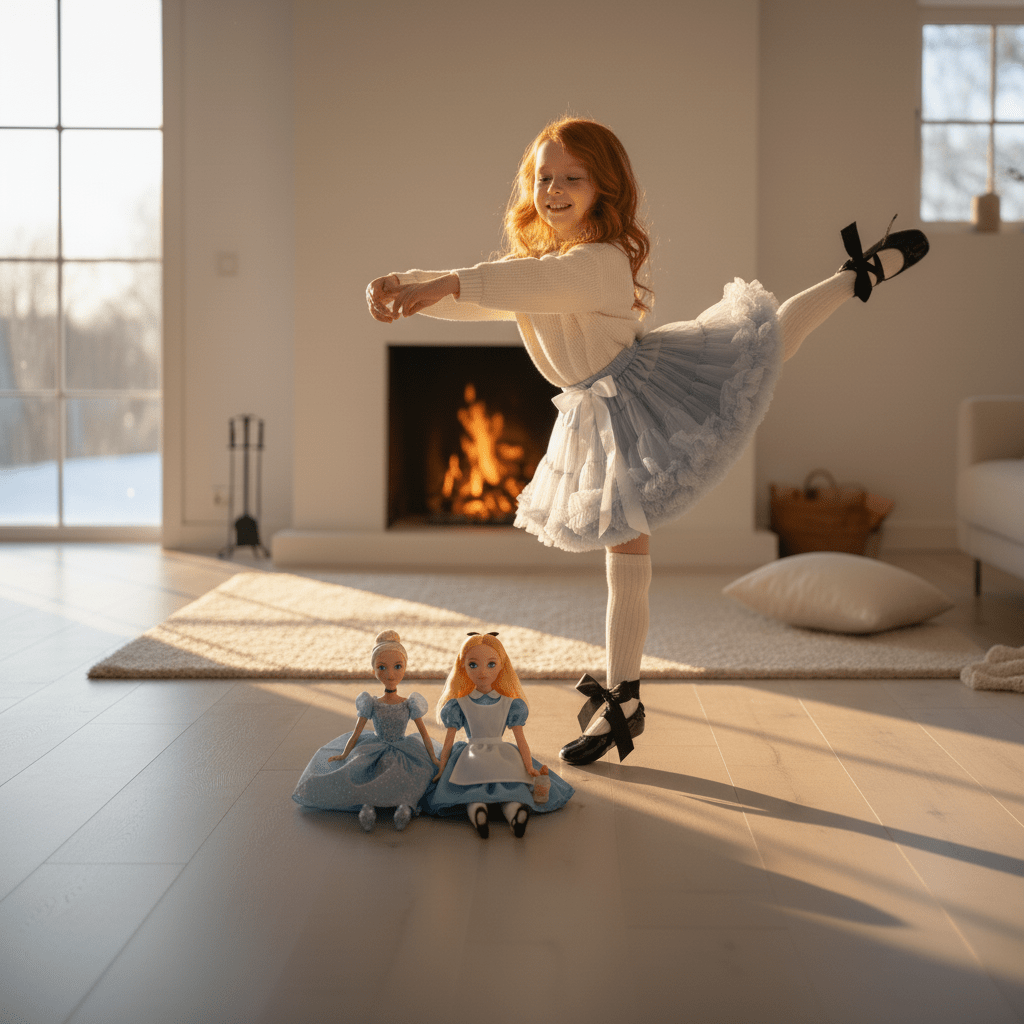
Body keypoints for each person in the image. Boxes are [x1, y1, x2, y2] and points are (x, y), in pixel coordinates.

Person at [366, 117, 929, 766]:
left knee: (767, 341)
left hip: (640, 393)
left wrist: (447, 282)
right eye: (544, 177)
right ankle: (626, 692)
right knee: (624, 554)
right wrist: (408, 284)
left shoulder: (600, 261)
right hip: (594, 409)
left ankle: (855, 275)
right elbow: (489, 296)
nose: (554, 188)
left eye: (571, 177)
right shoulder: (536, 264)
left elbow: (522, 287)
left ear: (603, 188)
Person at [425, 632, 574, 837]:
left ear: (502, 666)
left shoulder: (468, 704)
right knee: (509, 785)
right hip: (502, 754)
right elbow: (519, 741)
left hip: (471, 755)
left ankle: (482, 811)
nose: (483, 672)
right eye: (473, 665)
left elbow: (450, 743)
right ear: (463, 667)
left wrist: (443, 766)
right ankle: (511, 811)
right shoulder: (505, 704)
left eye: (491, 664)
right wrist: (527, 765)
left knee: (471, 789)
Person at [291, 629, 441, 831]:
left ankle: (405, 805)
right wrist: (344, 753)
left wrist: (433, 756)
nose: (390, 674)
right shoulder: (370, 703)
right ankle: (368, 805)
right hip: (374, 747)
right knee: (365, 771)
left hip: (404, 747)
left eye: (398, 667)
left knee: (412, 773)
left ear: (405, 668)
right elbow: (356, 732)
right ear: (374, 671)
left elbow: (424, 734)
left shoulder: (410, 703)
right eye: (382, 667)